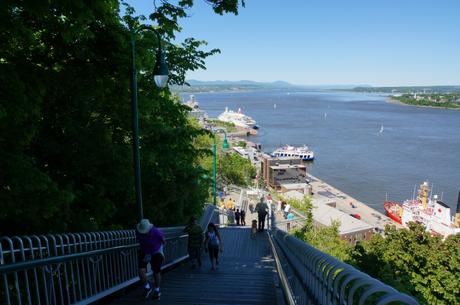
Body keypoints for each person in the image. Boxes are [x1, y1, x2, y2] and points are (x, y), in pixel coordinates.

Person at [136, 219, 165, 299]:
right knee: (141, 271)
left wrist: (161, 255)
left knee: (156, 270)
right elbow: (139, 240)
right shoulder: (138, 231)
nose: (144, 233)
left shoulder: (157, 232)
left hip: (156, 250)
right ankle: (147, 287)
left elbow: (163, 241)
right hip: (145, 250)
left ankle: (157, 289)